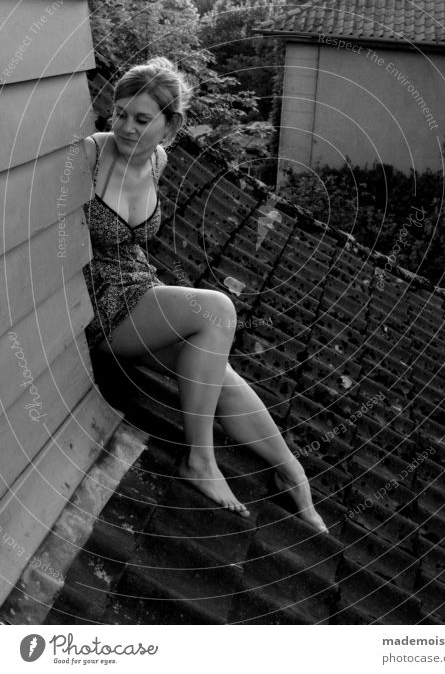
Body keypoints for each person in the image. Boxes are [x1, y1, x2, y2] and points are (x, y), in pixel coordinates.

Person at [82, 56, 328, 533]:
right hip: (99, 301)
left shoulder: (158, 159)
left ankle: (295, 475)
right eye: (121, 114)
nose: (126, 128)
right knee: (216, 310)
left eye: (141, 118)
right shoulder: (92, 154)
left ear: (169, 125)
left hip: (139, 290)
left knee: (216, 374)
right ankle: (200, 462)